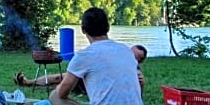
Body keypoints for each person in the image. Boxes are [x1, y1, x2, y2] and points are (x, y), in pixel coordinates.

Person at [48, 8, 147, 105]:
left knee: (54, 95)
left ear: (83, 30)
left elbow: (62, 93)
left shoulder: (84, 56)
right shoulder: (126, 50)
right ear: (108, 27)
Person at [13, 44, 147, 89]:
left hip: (92, 88)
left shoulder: (136, 73)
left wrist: (141, 84)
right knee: (58, 78)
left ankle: (29, 83)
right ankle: (27, 82)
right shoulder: (116, 59)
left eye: (135, 57)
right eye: (129, 53)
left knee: (59, 88)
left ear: (139, 62)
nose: (130, 57)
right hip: (86, 78)